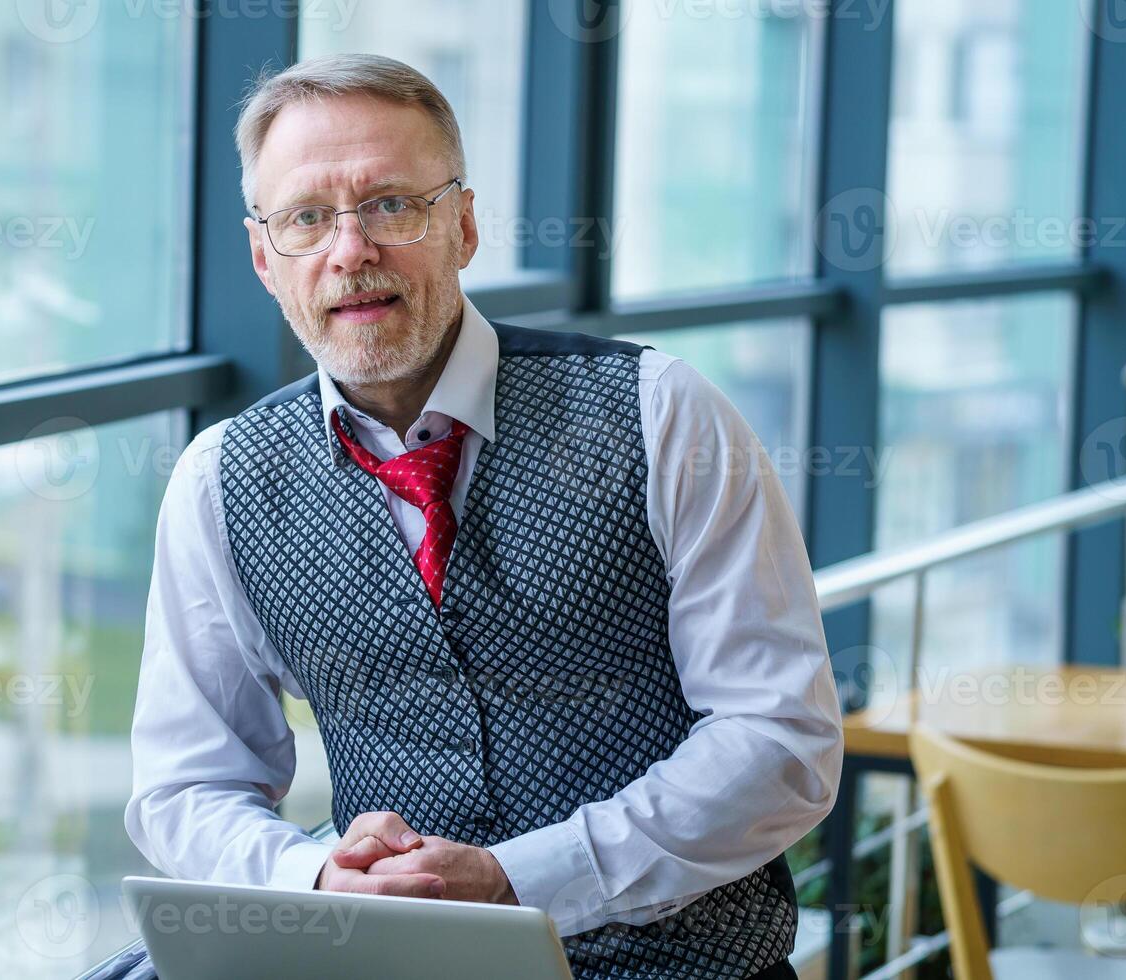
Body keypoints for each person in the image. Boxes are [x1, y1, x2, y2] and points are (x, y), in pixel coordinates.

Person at [126, 53, 843, 980]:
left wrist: (519, 878)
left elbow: (780, 739)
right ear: (266, 258)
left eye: (391, 204)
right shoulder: (219, 481)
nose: (351, 251)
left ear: (463, 224)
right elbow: (187, 785)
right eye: (309, 218)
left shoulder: (663, 414)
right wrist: (314, 881)